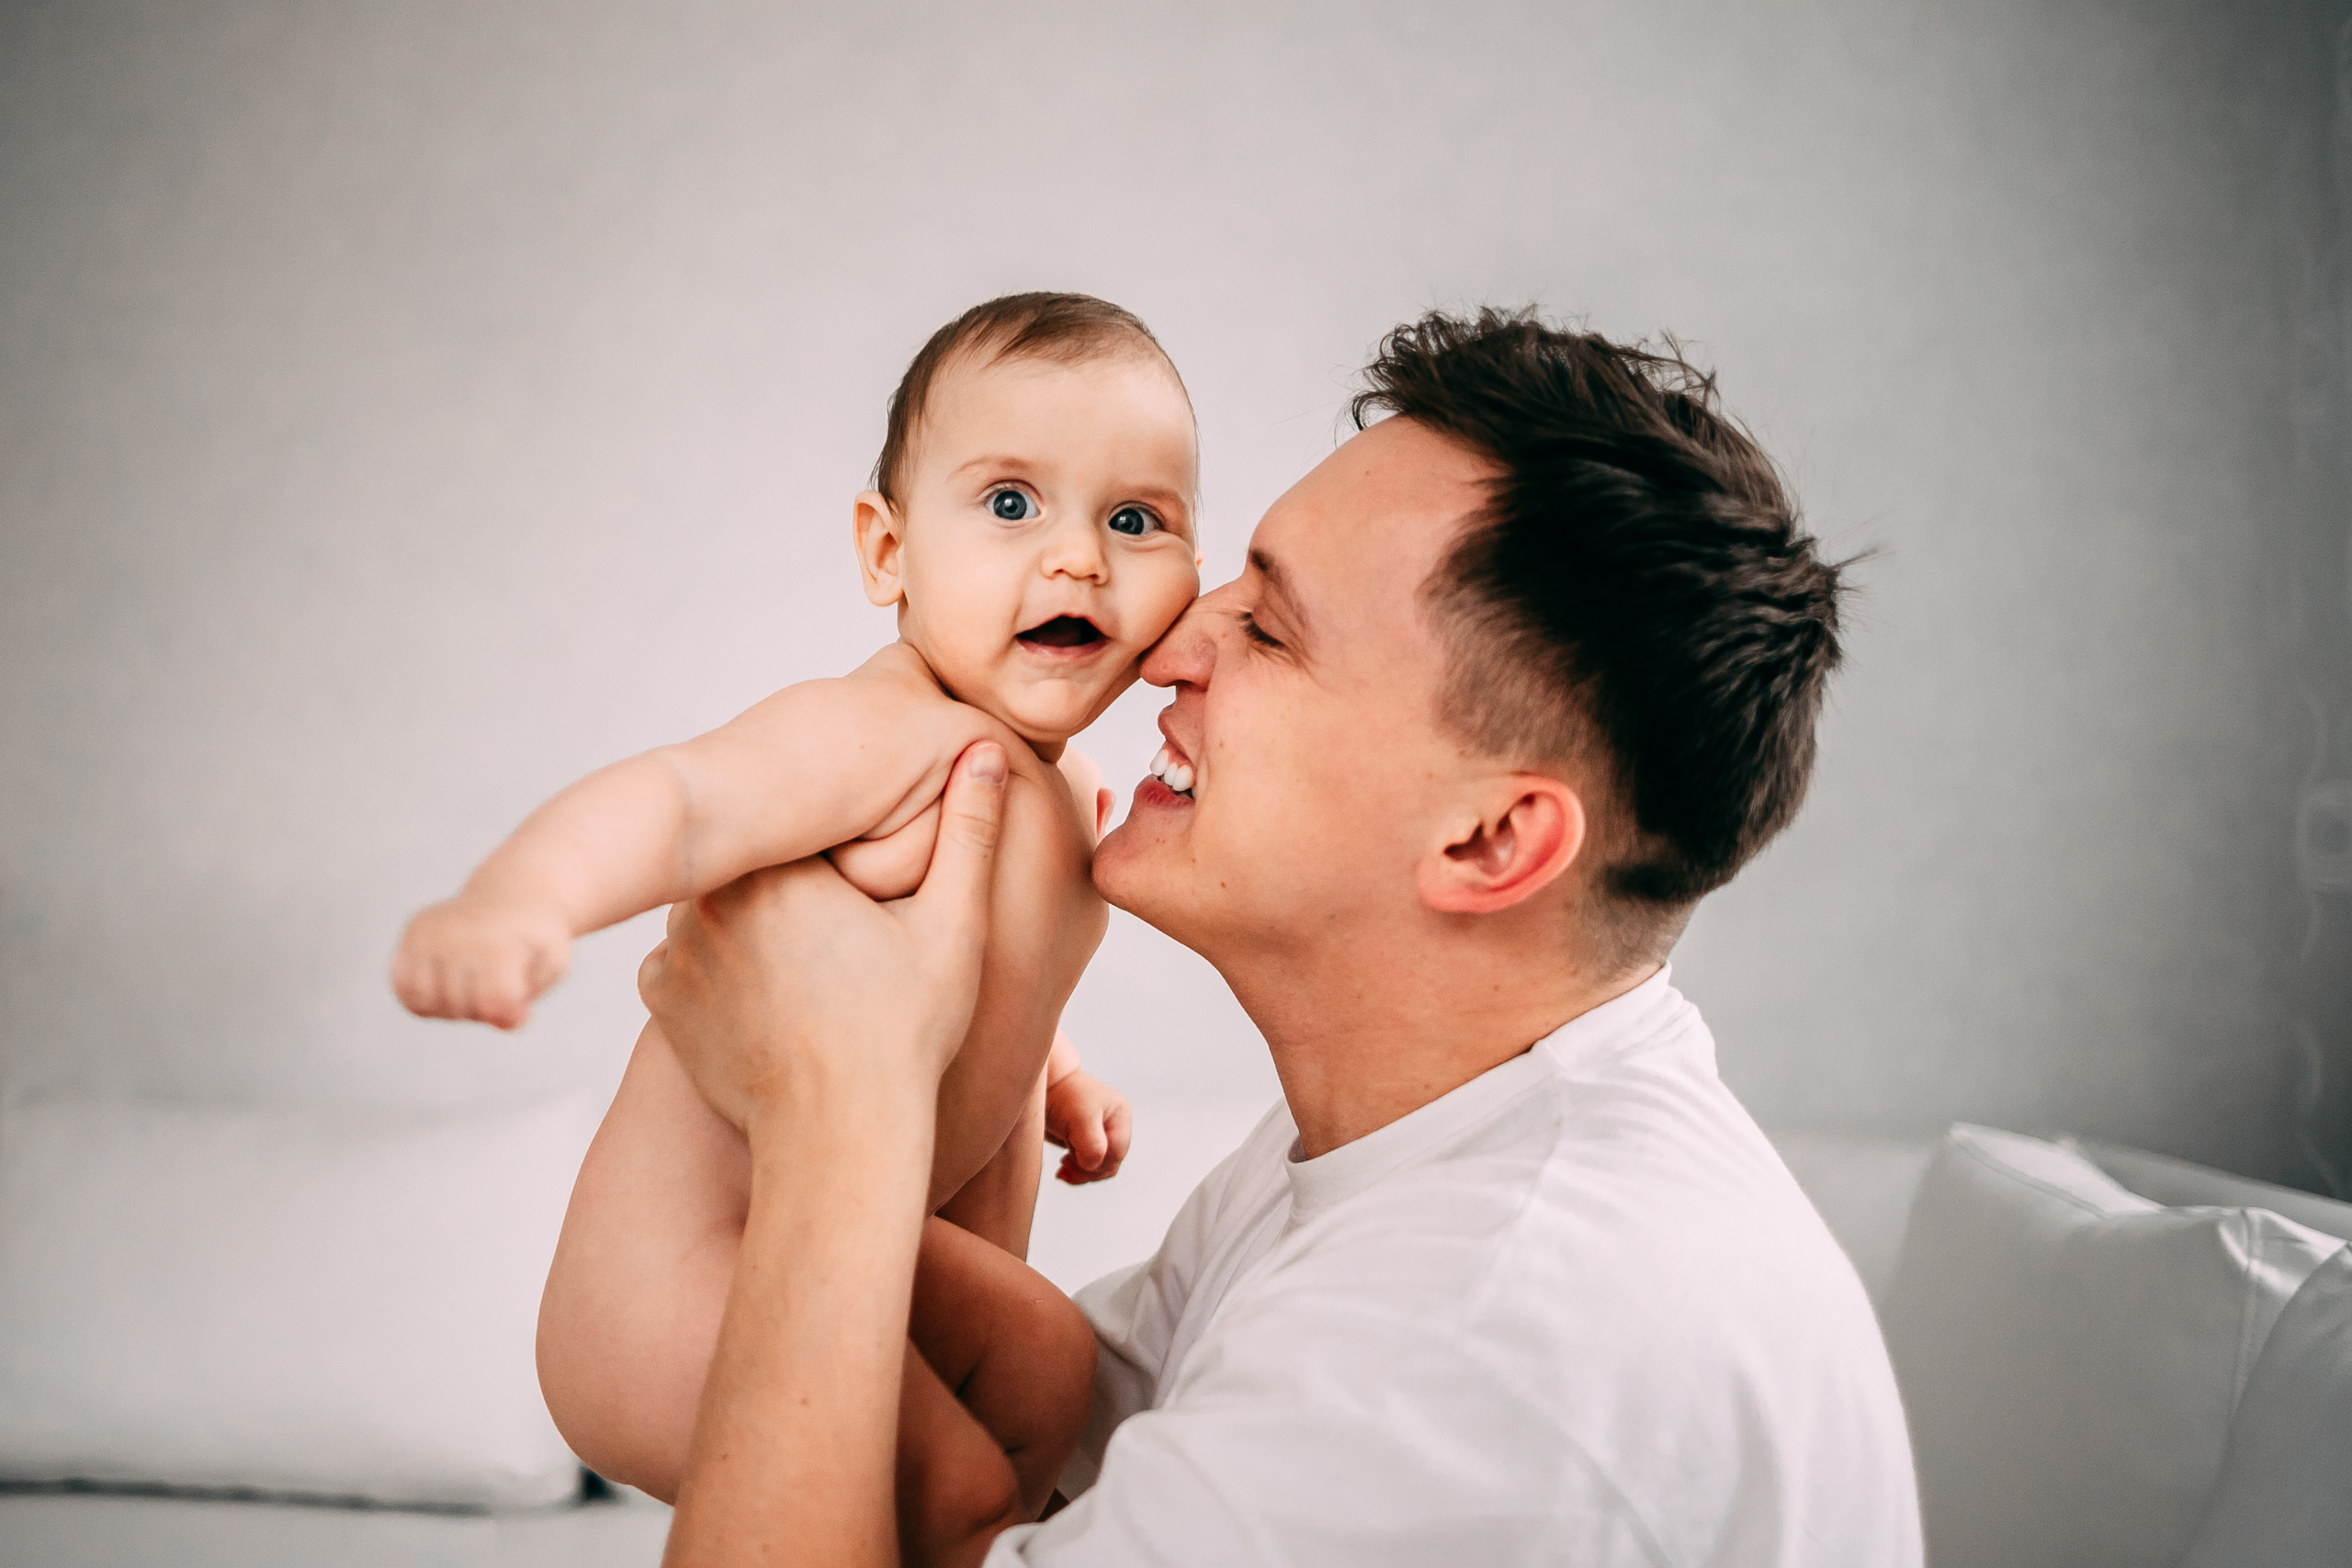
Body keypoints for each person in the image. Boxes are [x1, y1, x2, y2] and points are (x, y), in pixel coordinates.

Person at [631, 307, 1926, 1565]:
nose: (1163, 647)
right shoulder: (1394, 1147)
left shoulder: (1473, 1350)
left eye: (1267, 628)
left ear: (1488, 842)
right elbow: (986, 1493)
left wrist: (835, 1106)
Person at [393, 294, 1204, 1556]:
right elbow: (684, 798)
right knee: (955, 1494)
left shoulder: (1075, 790)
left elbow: (987, 965)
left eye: (1136, 519)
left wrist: (1055, 1071)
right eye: (1009, 504)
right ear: (887, 554)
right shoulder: (881, 729)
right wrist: (523, 900)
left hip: (839, 1247)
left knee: (1055, 1370)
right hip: (679, 1276)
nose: (1079, 559)